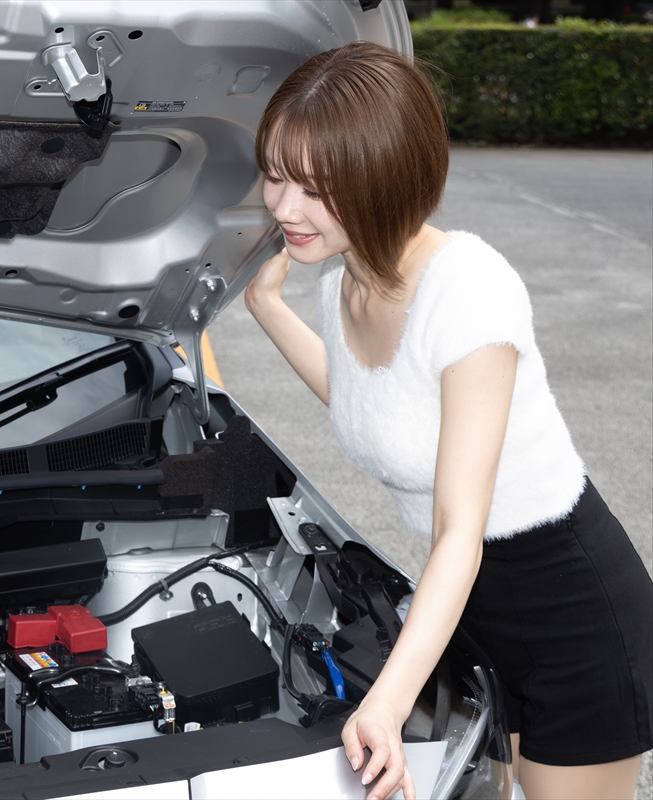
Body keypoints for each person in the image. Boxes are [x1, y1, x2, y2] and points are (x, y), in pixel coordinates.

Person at [243, 41, 652, 800]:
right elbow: (373, 405)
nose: (282, 207)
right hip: (468, 605)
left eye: (314, 188)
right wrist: (265, 305)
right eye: (274, 175)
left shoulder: (468, 289)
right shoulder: (343, 284)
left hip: (568, 609)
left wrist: (388, 704)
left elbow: (460, 527)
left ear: (382, 177)